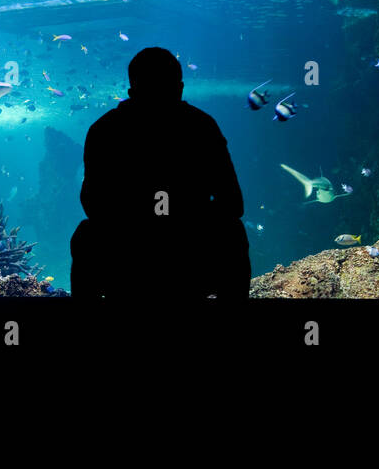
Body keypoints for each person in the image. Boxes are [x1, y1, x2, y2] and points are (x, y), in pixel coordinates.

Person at [71, 47, 249, 298]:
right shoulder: (202, 126)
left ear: (131, 89)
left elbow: (92, 204)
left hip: (123, 260)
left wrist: (137, 222)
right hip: (193, 256)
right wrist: (183, 219)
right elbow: (233, 204)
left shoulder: (104, 129)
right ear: (180, 87)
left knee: (86, 236)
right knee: (232, 233)